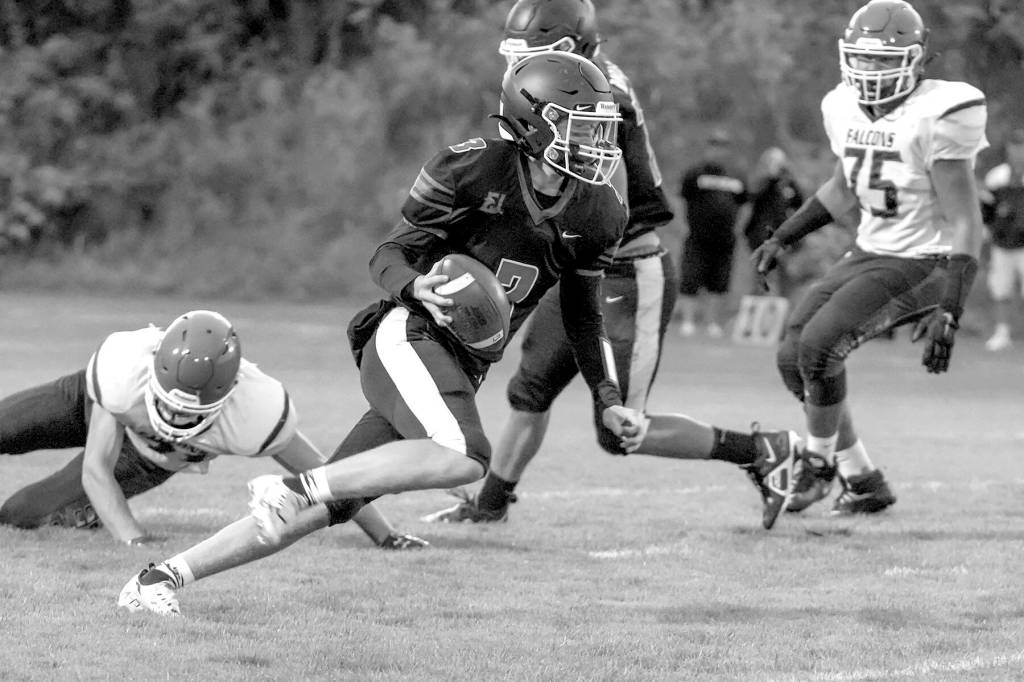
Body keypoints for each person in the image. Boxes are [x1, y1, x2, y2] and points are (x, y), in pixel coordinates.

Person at [118, 51, 650, 615]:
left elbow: (584, 316)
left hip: (461, 367)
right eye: (581, 125)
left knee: (328, 507)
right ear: (532, 120)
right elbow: (390, 254)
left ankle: (159, 579)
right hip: (409, 335)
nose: (597, 142)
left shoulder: (600, 211)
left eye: (600, 127)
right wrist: (416, 288)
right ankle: (297, 484)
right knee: (466, 455)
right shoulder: (472, 169)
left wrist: (608, 397)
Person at [421, 0, 800, 532]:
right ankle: (489, 506)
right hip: (575, 266)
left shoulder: (597, 100)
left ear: (570, 49)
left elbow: (599, 207)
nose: (521, 64)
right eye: (519, 52)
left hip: (627, 269)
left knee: (621, 427)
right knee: (528, 392)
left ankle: (762, 450)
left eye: (534, 51)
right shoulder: (574, 84)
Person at [752, 0, 987, 516]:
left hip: (926, 258)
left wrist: (951, 304)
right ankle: (862, 479)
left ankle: (815, 469)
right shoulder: (840, 105)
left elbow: (968, 220)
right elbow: (843, 188)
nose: (873, 70)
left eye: (886, 60)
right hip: (872, 249)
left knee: (818, 347)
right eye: (865, 58)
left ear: (918, 59)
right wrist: (784, 236)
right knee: (794, 356)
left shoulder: (941, 112)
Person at [0, 310, 424, 550]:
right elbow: (97, 465)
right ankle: (93, 512)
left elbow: (327, 476)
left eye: (189, 411)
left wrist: (385, 534)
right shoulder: (123, 372)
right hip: (97, 404)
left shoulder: (255, 411)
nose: (177, 414)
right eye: (169, 403)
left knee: (21, 513)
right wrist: (134, 538)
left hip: (149, 455)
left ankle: (83, 514)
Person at [677, 129, 750, 338]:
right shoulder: (695, 173)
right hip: (698, 237)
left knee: (718, 282)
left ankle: (712, 323)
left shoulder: (737, 174)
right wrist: (685, 225)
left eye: (723, 147)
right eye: (715, 146)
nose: (718, 151)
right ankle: (688, 322)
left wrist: (739, 228)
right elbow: (683, 200)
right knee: (690, 279)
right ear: (709, 148)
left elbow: (744, 204)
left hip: (725, 238)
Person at [980, 127, 1024, 351]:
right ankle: (1002, 332)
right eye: (1015, 148)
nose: (1018, 152)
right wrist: (987, 233)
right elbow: (986, 211)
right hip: (1002, 243)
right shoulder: (997, 177)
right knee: (1001, 289)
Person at [742, 147, 805, 297]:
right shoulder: (763, 183)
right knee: (763, 270)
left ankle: (783, 304)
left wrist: (788, 178)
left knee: (785, 272)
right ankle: (758, 302)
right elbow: (752, 196)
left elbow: (799, 202)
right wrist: (770, 178)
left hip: (783, 234)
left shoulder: (788, 184)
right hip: (761, 234)